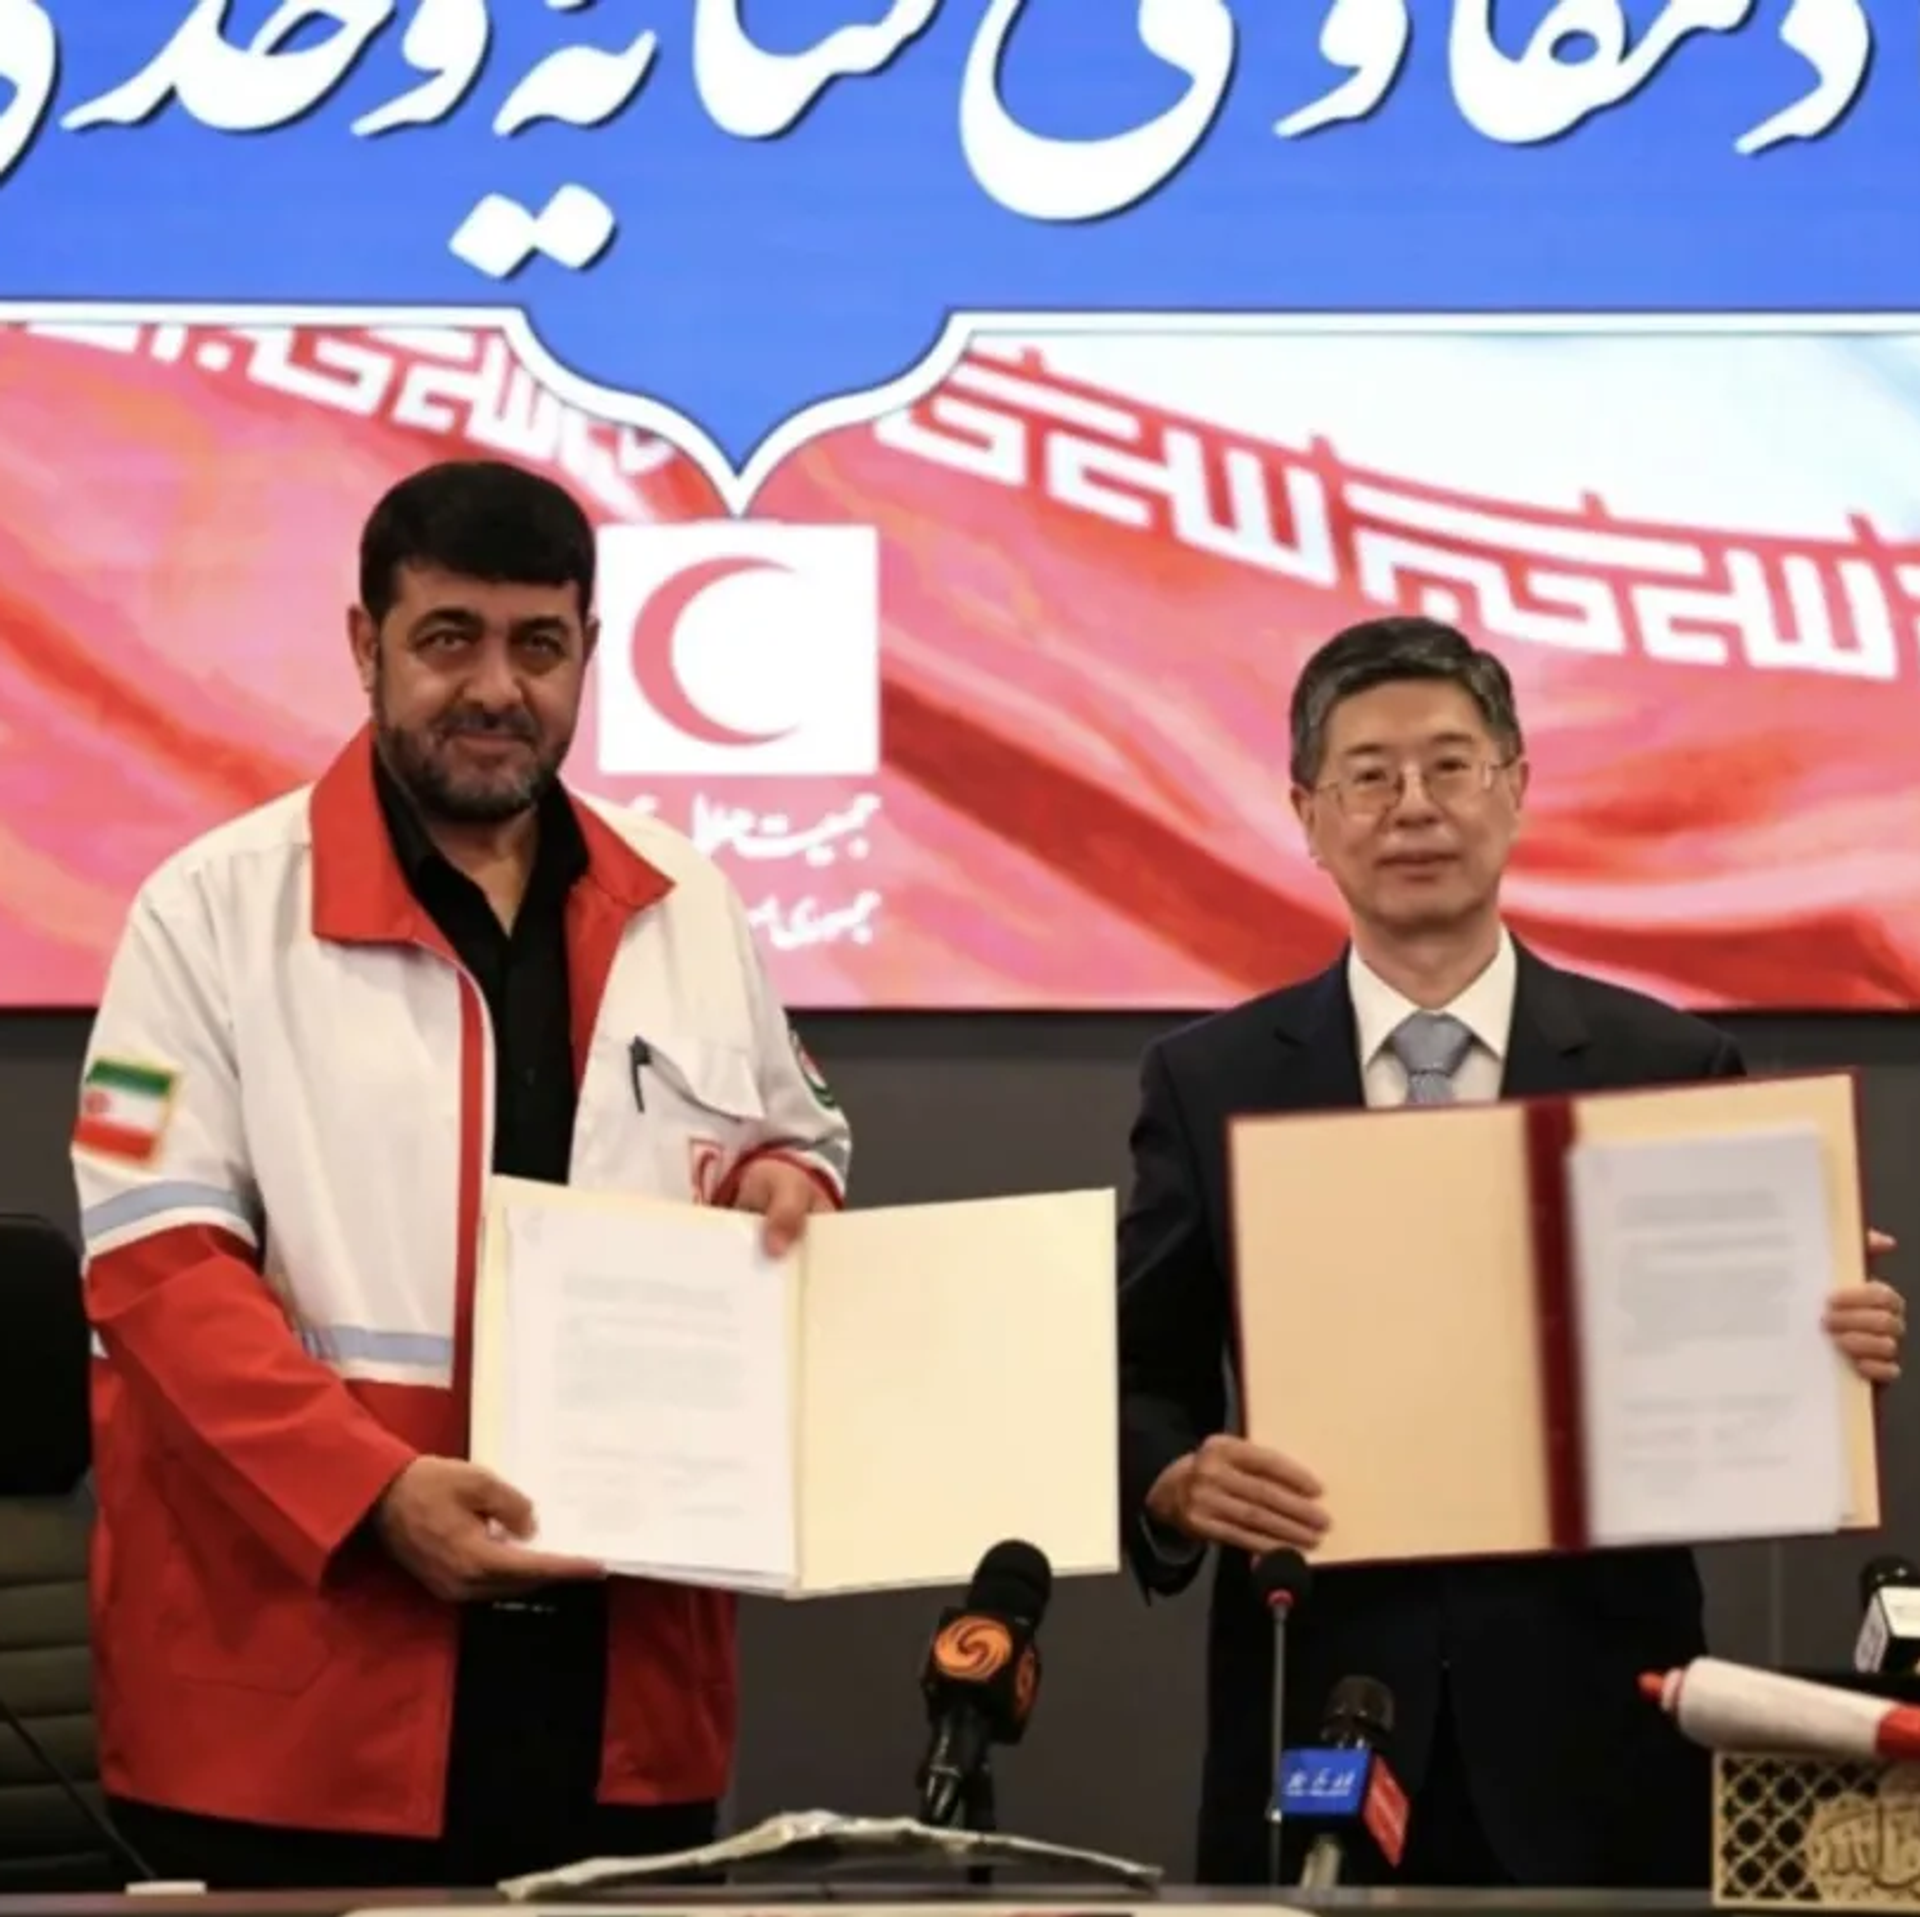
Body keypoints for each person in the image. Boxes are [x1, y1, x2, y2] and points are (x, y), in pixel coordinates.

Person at [70, 459, 850, 1888]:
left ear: (590, 655)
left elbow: (794, 1134)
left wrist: (787, 1183)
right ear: (365, 645)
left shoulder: (688, 903)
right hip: (305, 1685)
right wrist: (371, 1491)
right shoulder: (206, 909)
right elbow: (152, 1259)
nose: (497, 687)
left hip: (622, 1671)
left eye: (538, 645)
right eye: (450, 639)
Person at [1117, 616, 1904, 1890]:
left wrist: (1815, 1341)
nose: (1413, 806)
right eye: (1369, 775)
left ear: (1517, 788)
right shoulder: (1209, 1081)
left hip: (1598, 1713)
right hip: (1326, 1698)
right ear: (1307, 814)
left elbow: (1731, 1374)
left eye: (1451, 765)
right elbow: (1137, 1377)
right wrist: (1174, 1480)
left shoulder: (1667, 1066)